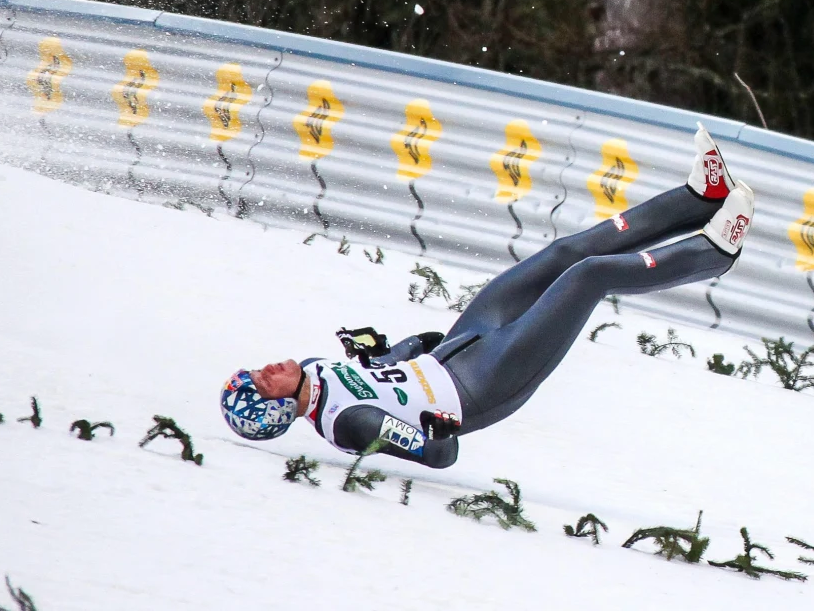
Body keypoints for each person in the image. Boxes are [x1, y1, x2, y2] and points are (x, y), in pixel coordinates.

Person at [220, 126, 755, 468]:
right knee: (588, 277)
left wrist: (384, 349)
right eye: (263, 382)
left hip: (460, 346)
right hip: (484, 383)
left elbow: (405, 359)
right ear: (277, 407)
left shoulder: (316, 369)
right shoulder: (344, 423)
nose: (266, 368)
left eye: (256, 370)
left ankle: (697, 199)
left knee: (561, 256)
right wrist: (435, 428)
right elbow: (437, 452)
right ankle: (710, 254)